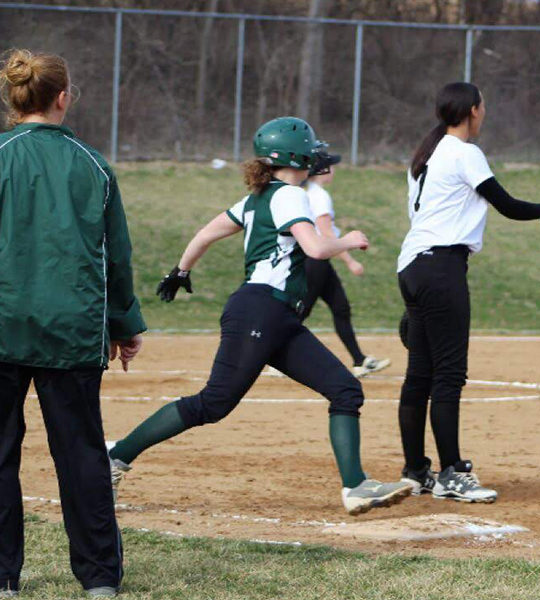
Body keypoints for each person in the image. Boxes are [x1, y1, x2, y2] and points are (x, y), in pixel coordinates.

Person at [0, 49, 145, 598]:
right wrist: (123, 321)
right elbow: (114, 255)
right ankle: (99, 579)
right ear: (63, 97)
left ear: (16, 99)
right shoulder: (93, 165)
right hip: (72, 332)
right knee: (83, 452)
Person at [107, 117, 412, 516]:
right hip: (261, 310)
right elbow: (316, 249)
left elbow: (204, 234)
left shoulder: (258, 198)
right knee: (212, 404)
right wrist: (348, 241)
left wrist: (181, 271)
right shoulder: (289, 194)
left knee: (345, 390)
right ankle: (114, 457)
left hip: (277, 316)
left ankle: (356, 486)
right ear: (296, 155)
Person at [396, 82, 540, 503]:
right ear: (471, 110)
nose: (484, 112)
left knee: (420, 374)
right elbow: (504, 203)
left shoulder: (424, 157)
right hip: (441, 269)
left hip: (412, 265)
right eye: (483, 106)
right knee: (448, 374)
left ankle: (417, 470)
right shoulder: (464, 152)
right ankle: (452, 472)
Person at [301, 150, 390, 378]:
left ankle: (360, 361)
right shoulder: (319, 195)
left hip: (320, 260)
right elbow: (326, 232)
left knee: (341, 308)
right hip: (315, 260)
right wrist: (350, 260)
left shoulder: (310, 192)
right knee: (301, 311)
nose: (334, 170)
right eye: (331, 165)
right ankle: (269, 352)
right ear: (322, 169)